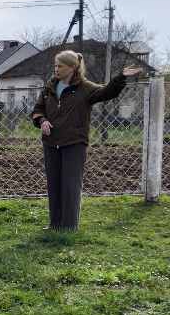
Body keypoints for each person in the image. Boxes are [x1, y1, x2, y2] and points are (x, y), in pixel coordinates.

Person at [31, 51, 141, 231]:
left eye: (60, 66)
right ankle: (55, 224)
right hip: (51, 142)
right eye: (55, 66)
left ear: (72, 67)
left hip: (74, 143)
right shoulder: (49, 87)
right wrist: (42, 121)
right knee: (54, 184)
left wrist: (120, 78)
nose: (56, 69)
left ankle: (69, 226)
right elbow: (37, 110)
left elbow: (107, 92)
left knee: (70, 185)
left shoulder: (85, 88)